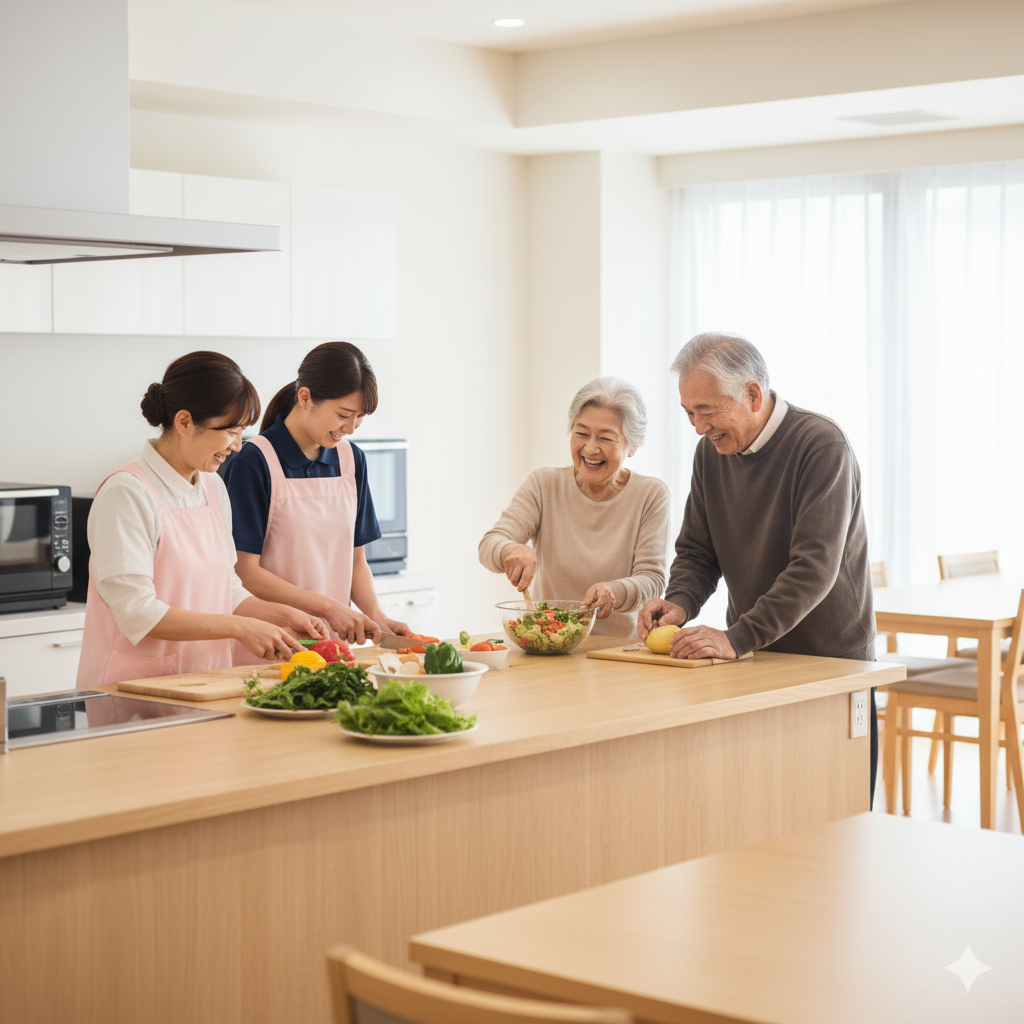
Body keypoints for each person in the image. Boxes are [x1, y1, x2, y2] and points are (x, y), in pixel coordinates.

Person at [637, 332, 878, 797]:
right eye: (689, 411)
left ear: (751, 393)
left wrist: (735, 638)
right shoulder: (710, 454)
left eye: (706, 410)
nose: (697, 426)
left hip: (830, 665)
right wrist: (679, 603)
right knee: (759, 816)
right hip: (755, 660)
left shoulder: (821, 446)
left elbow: (814, 568)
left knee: (840, 828)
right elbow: (697, 552)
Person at [77, 352, 328, 688]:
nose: (238, 446)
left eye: (243, 432)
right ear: (184, 422)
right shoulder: (127, 492)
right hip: (135, 692)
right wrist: (239, 628)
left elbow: (227, 587)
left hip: (206, 682)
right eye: (231, 431)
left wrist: (284, 616)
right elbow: (137, 611)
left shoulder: (212, 486)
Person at [223, 341, 409, 657]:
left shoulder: (352, 460)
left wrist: (376, 615)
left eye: (360, 417)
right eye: (343, 414)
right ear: (305, 397)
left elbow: (355, 560)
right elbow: (244, 571)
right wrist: (329, 607)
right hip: (271, 645)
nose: (350, 428)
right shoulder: (253, 462)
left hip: (334, 645)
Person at [479, 377, 671, 639]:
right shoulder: (544, 483)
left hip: (618, 650)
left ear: (633, 445)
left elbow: (652, 580)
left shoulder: (651, 494)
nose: (590, 448)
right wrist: (509, 549)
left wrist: (614, 591)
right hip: (550, 645)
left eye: (606, 438)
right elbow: (490, 543)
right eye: (581, 433)